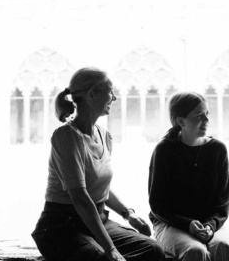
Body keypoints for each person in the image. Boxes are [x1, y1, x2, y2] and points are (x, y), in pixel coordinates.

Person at [31, 67, 165, 261]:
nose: (114, 98)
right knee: (103, 259)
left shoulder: (104, 136)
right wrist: (110, 249)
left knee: (153, 250)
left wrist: (128, 214)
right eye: (110, 92)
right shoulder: (66, 137)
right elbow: (81, 198)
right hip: (61, 227)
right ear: (92, 94)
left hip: (96, 221)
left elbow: (100, 188)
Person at [148, 91, 229, 261]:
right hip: (171, 224)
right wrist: (187, 224)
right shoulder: (164, 150)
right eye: (199, 116)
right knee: (195, 251)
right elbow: (157, 204)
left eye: (207, 114)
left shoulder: (217, 149)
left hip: (209, 223)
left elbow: (224, 199)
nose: (206, 120)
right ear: (180, 121)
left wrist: (211, 225)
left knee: (223, 247)